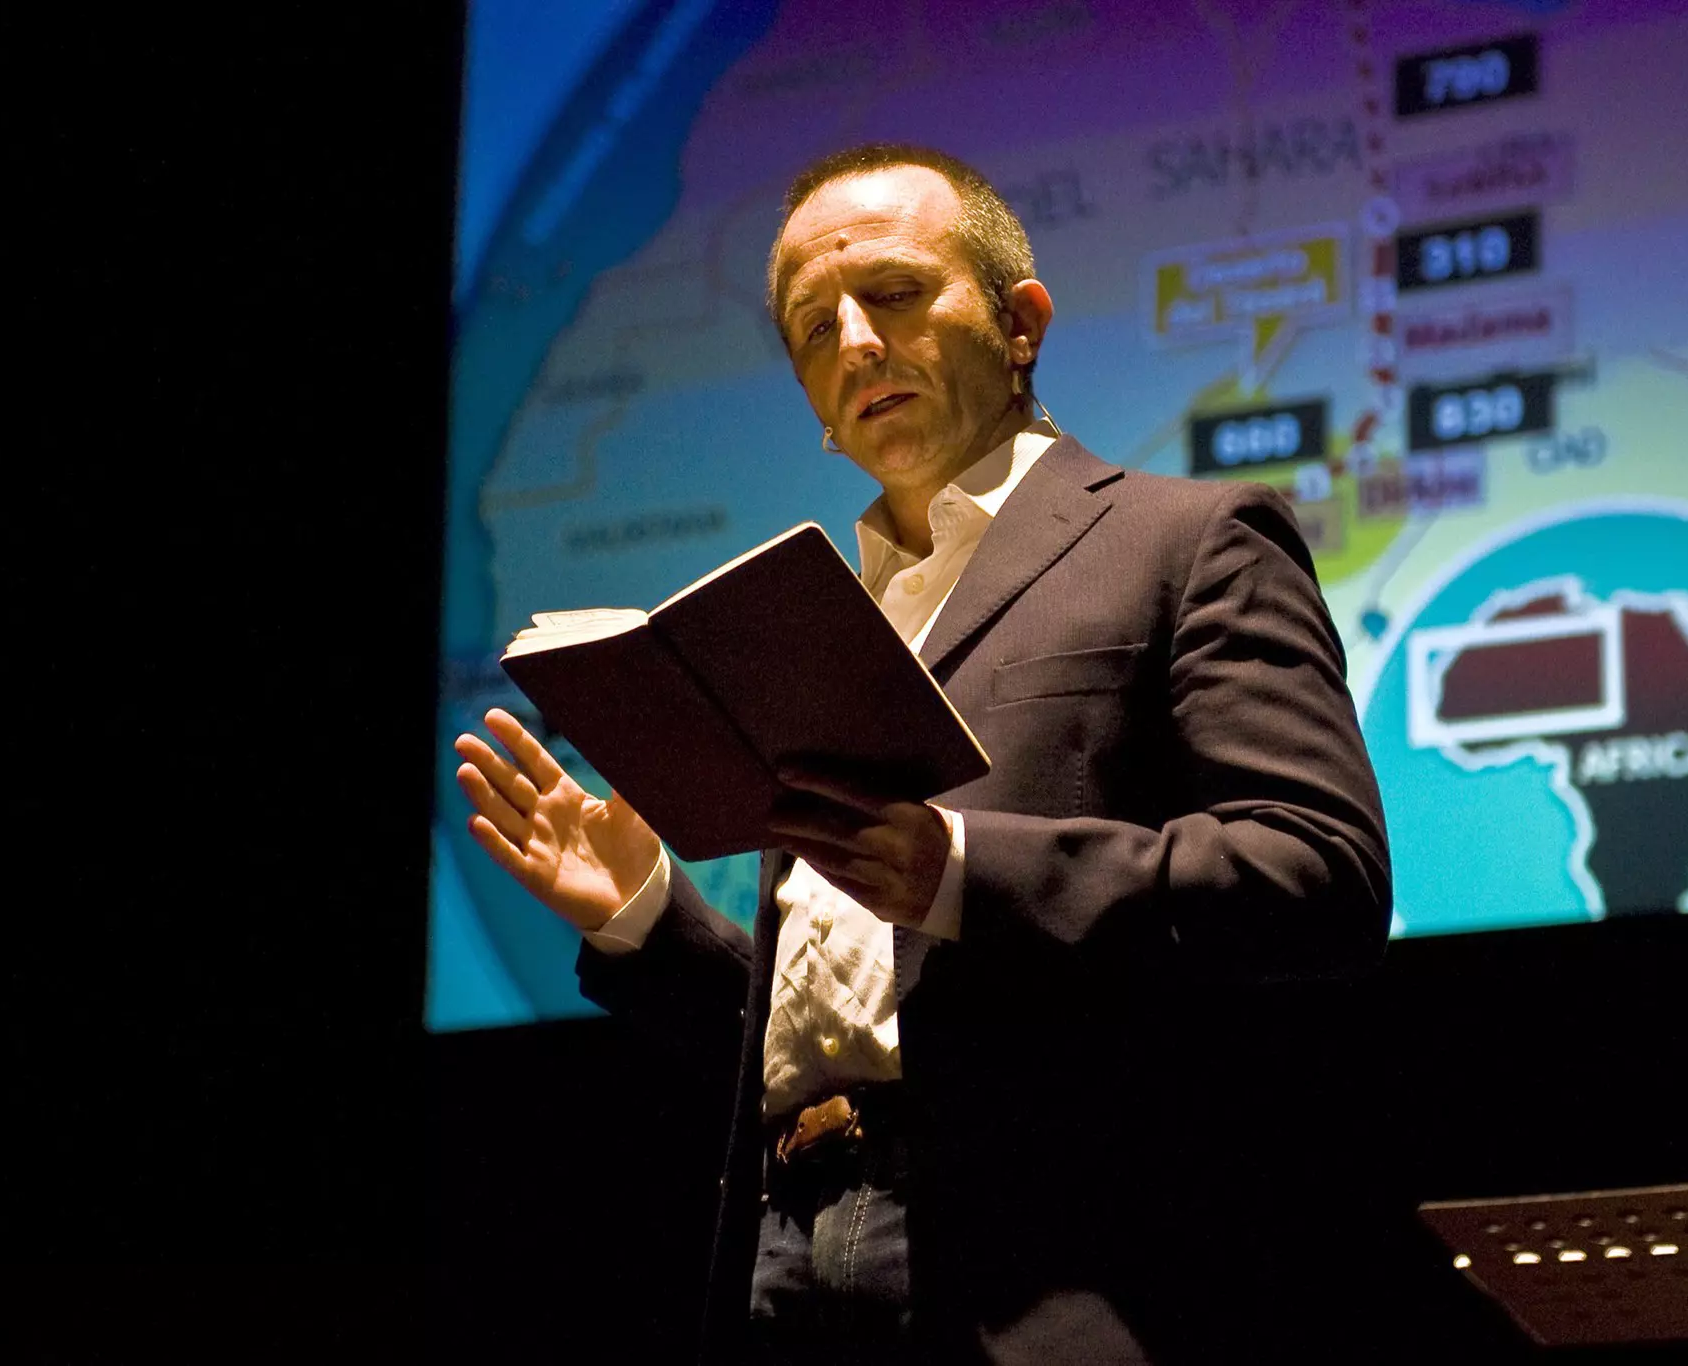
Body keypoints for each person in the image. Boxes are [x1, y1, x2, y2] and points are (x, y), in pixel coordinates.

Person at [452, 143, 1391, 1364]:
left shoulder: (1188, 542)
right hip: (792, 1247)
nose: (852, 343)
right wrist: (645, 919)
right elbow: (860, 1022)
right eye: (811, 327)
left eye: (893, 293)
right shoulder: (818, 626)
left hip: (1057, 1259)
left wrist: (958, 870)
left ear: (1019, 323)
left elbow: (1317, 877)